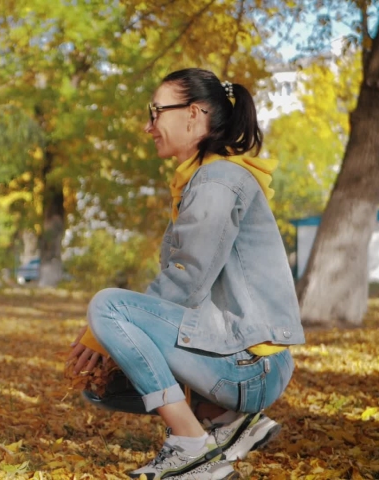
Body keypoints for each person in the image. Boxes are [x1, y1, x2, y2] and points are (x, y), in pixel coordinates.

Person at [67, 68, 304, 479]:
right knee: (104, 384)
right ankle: (226, 420)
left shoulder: (218, 181)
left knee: (106, 307)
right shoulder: (202, 179)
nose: (148, 126)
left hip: (252, 367)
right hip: (245, 363)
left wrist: (101, 329)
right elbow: (188, 291)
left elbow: (184, 281)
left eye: (155, 112)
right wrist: (110, 340)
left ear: (193, 114)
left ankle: (191, 446)